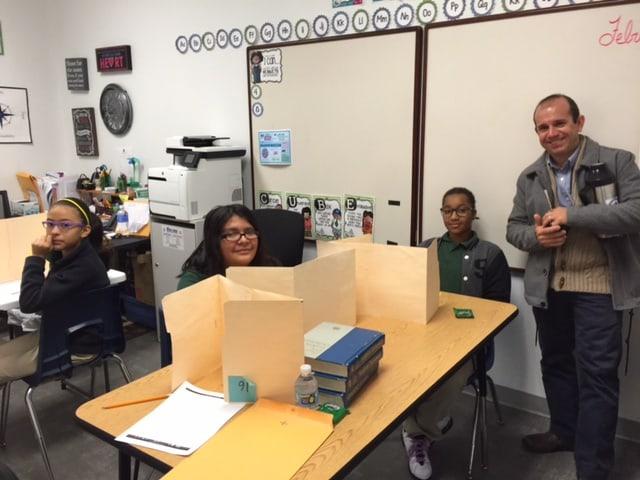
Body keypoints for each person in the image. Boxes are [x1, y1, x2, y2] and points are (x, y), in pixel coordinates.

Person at [506, 94, 640, 480]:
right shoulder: (530, 176)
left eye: (559, 123)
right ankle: (563, 432)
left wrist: (572, 215)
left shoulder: (618, 161)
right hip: (550, 286)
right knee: (556, 363)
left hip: (600, 285)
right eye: (543, 127)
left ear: (579, 123)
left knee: (597, 375)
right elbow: (514, 228)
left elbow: (635, 213)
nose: (551, 133)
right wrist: (536, 237)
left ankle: (593, 467)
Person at [402, 187, 511, 480]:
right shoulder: (427, 247)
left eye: (462, 210)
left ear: (474, 213)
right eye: (448, 210)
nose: (454, 216)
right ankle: (424, 421)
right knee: (393, 358)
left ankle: (416, 433)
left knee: (450, 372)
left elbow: (499, 310)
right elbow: (408, 292)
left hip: (469, 346)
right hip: (425, 335)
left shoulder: (491, 254)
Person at [0, 197, 109, 383]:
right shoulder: (74, 256)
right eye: (50, 224)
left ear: (84, 231)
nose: (55, 231)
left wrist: (37, 258)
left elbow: (29, 303)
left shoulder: (83, 266)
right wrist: (50, 254)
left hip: (74, 345)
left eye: (65, 225)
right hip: (62, 334)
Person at [177, 204, 279, 290]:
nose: (244, 240)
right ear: (215, 241)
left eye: (249, 232)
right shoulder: (194, 282)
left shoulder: (271, 268)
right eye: (231, 234)